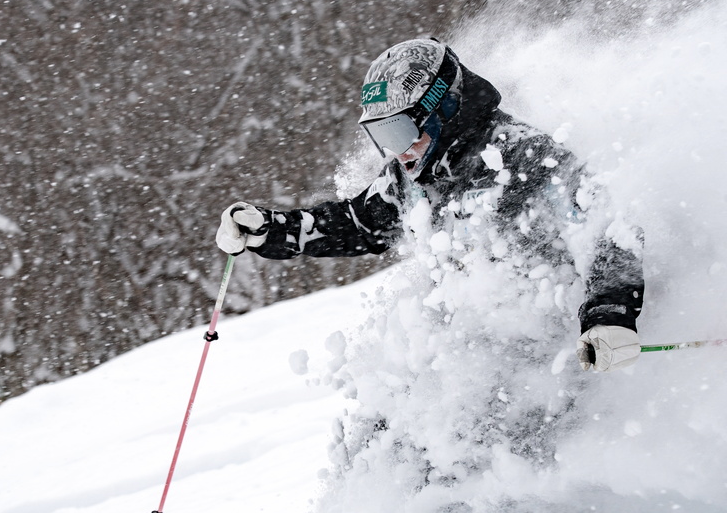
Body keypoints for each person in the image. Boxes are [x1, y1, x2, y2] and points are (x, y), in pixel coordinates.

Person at [215, 37, 644, 373]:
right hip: (466, 360)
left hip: (552, 357)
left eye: (400, 131)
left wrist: (610, 313)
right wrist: (273, 230)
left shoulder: (524, 156)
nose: (397, 152)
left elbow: (607, 229)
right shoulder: (413, 174)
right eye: (382, 136)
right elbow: (360, 223)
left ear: (445, 106)